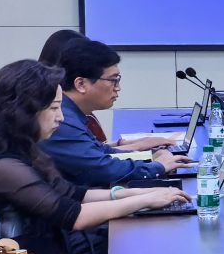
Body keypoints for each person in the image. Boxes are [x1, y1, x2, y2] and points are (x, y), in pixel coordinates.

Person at [0, 61, 188, 254]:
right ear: (25, 110)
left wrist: (137, 193)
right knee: (138, 246)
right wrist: (144, 200)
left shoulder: (14, 144)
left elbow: (73, 193)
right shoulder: (2, 167)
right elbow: (74, 216)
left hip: (41, 249)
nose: (61, 118)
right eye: (54, 108)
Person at [43, 36, 188, 187]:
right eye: (113, 80)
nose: (118, 88)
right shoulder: (62, 120)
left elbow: (102, 152)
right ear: (81, 84)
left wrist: (150, 157)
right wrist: (157, 166)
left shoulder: (72, 113)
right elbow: (102, 169)